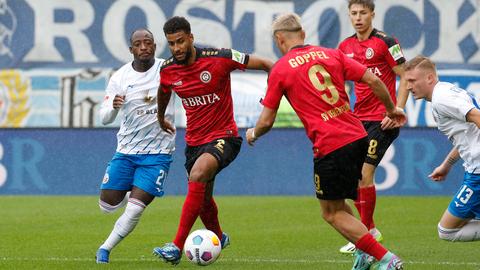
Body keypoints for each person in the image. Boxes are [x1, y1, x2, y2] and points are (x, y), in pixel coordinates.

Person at [246, 13, 406, 270]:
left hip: (331, 144)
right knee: (340, 204)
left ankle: (386, 259)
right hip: (357, 135)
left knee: (330, 213)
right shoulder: (331, 54)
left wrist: (253, 133)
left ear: (279, 39)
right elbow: (374, 80)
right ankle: (364, 253)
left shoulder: (281, 68)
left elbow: (266, 122)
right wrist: (391, 109)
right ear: (303, 34)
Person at [152, 16, 273, 265]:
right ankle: (218, 236)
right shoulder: (168, 69)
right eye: (172, 44)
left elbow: (267, 64)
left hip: (224, 137)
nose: (176, 48)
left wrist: (272, 95)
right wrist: (160, 116)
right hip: (194, 142)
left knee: (198, 175)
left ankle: (176, 246)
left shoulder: (219, 57)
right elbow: (164, 92)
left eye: (181, 42)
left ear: (191, 38)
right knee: (203, 198)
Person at [95, 28, 176, 263]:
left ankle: (105, 249)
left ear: (155, 45)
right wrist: (114, 107)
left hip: (159, 152)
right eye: (138, 44)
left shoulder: (167, 69)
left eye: (148, 43)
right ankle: (134, 187)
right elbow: (104, 117)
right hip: (127, 151)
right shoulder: (120, 78)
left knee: (135, 208)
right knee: (107, 205)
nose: (144, 47)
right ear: (131, 49)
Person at [337, 0, 409, 254]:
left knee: (365, 174)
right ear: (349, 16)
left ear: (372, 15)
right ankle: (370, 230)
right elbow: (341, 84)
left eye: (363, 13)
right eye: (354, 13)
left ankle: (364, 235)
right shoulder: (344, 47)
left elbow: (406, 77)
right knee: (354, 177)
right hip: (357, 119)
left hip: (383, 119)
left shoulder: (386, 42)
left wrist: (396, 110)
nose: (358, 18)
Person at [404, 55, 480, 242]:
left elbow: (477, 117)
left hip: (478, 173)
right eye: (407, 82)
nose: (408, 87)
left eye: (412, 81)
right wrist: (447, 164)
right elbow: (467, 135)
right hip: (474, 169)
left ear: (430, 78)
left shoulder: (442, 99)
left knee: (447, 231)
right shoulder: (445, 92)